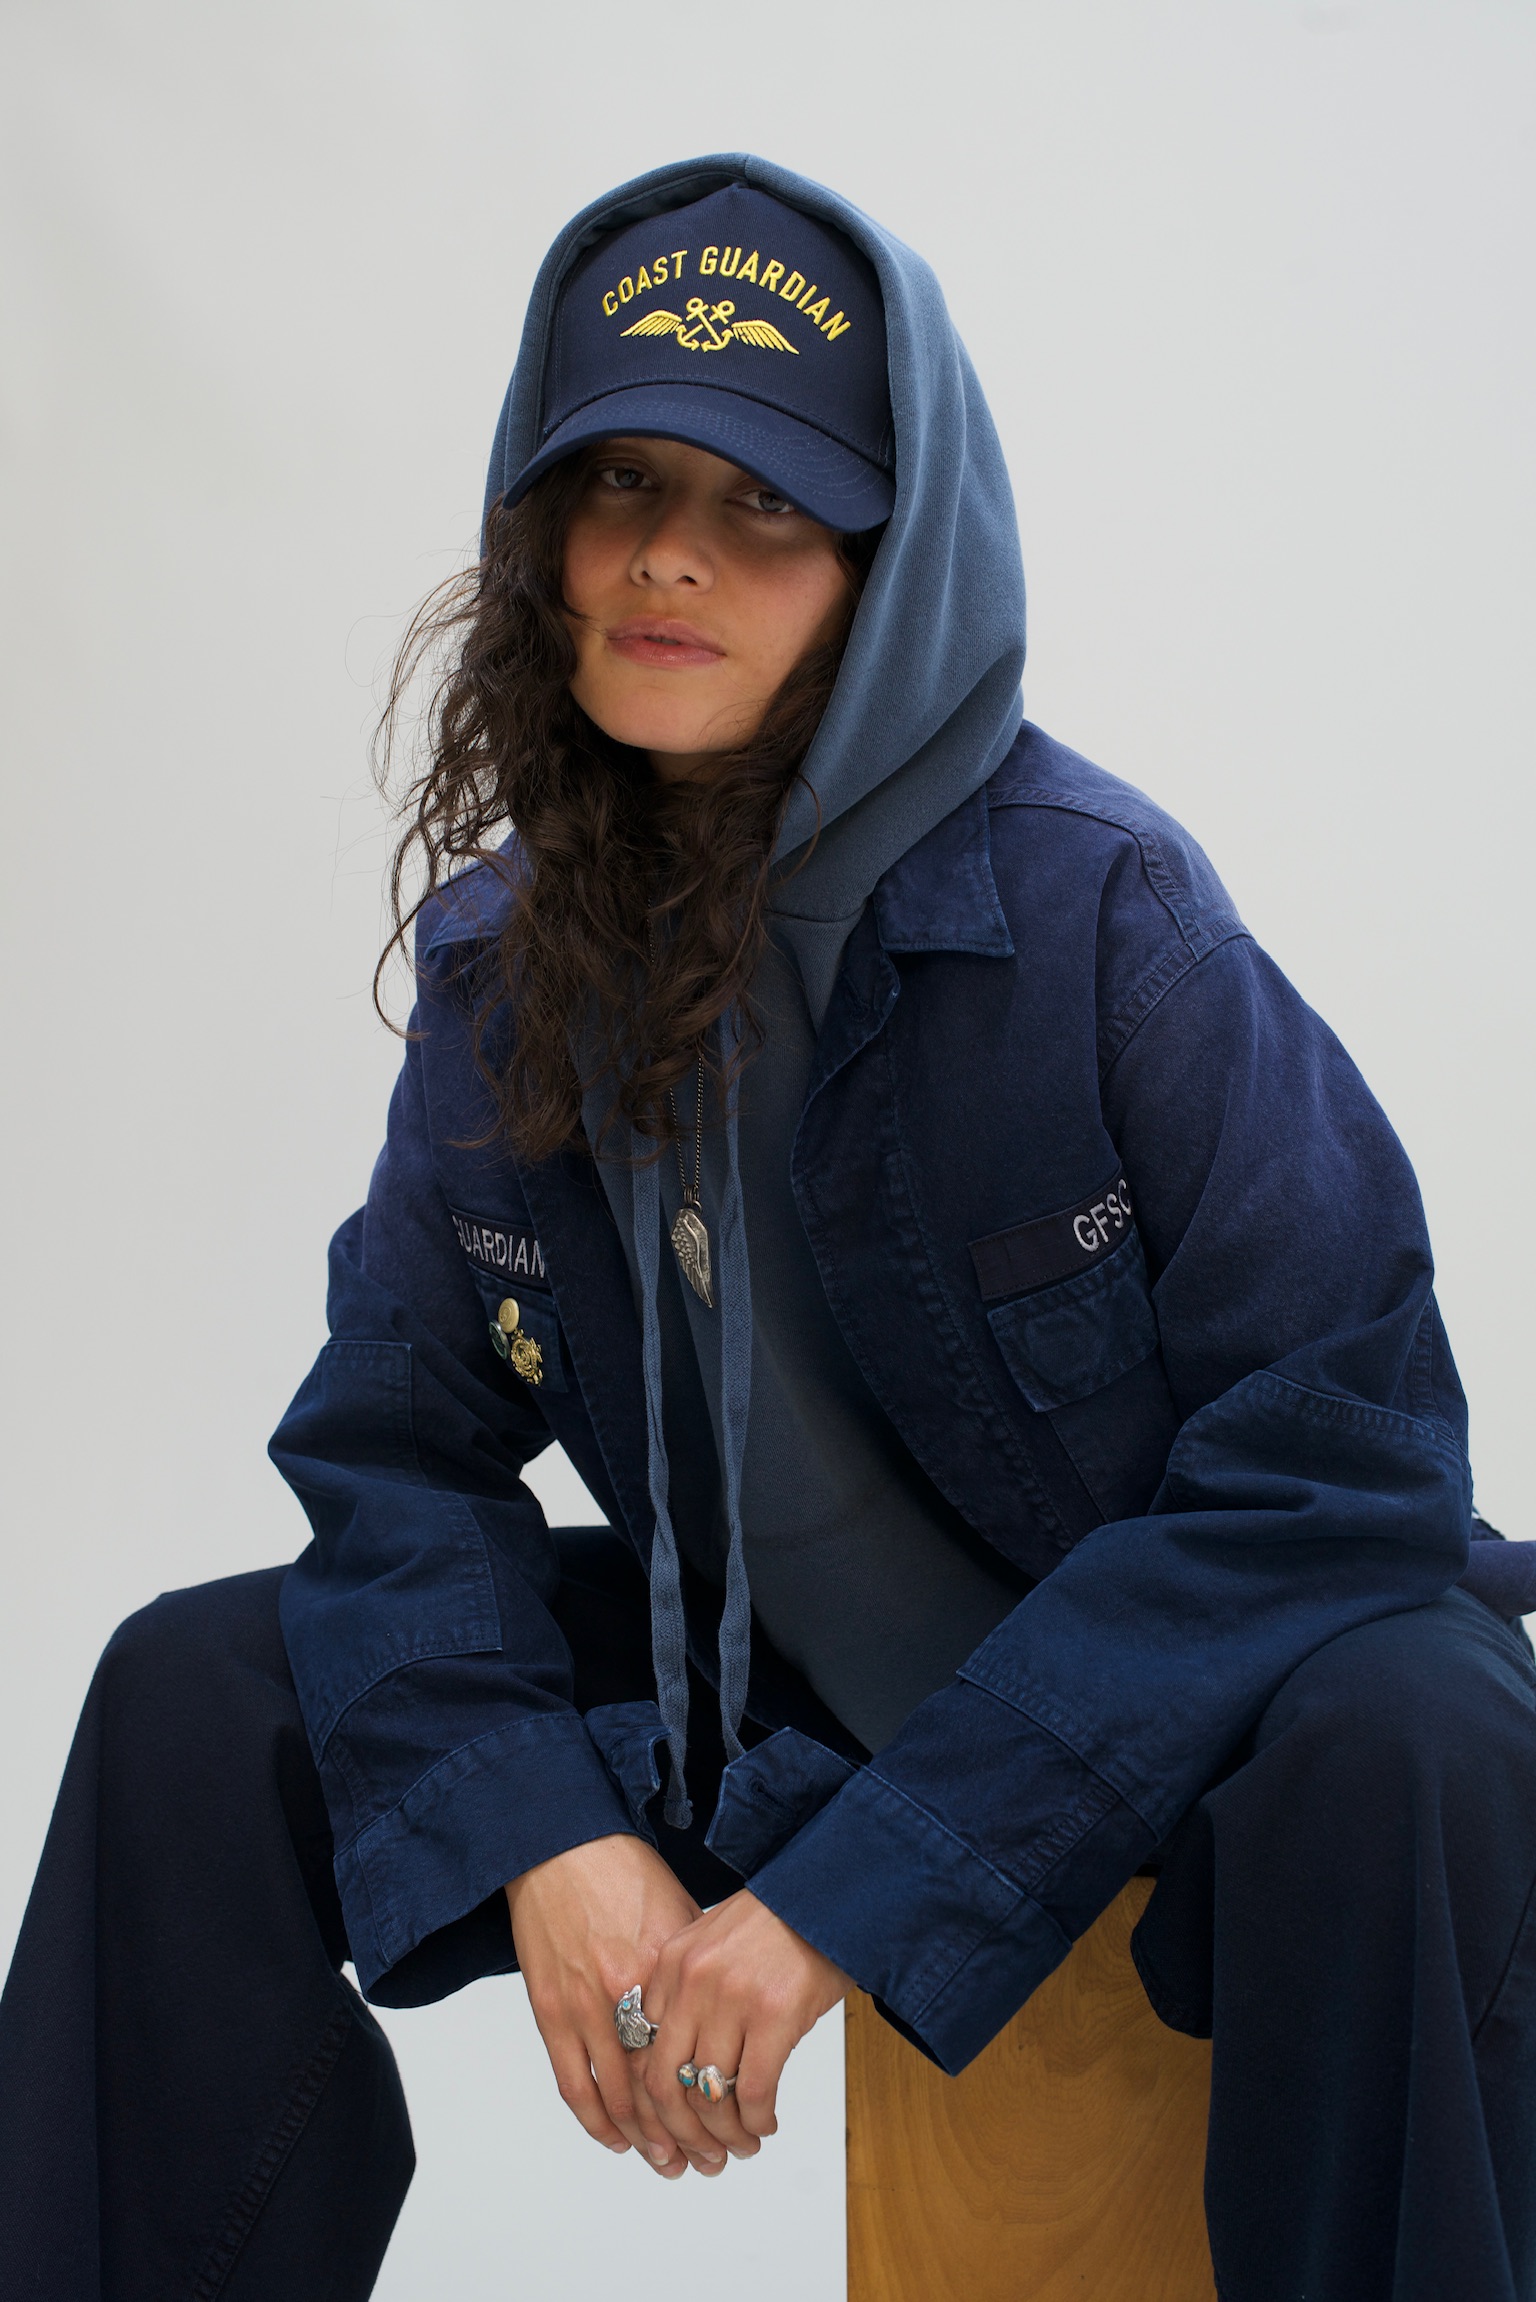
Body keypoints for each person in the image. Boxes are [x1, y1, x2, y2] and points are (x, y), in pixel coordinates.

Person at [3, 152, 1536, 2302]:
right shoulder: (508, 963)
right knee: (193, 1694)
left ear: (894, 566)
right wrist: (542, 1816)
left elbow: (1350, 1457)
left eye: (768, 505)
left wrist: (865, 1886)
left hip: (1181, 1712)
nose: (667, 554)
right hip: (778, 1696)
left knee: (1426, 1734)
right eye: (621, 481)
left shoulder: (1110, 917)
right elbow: (395, 1442)